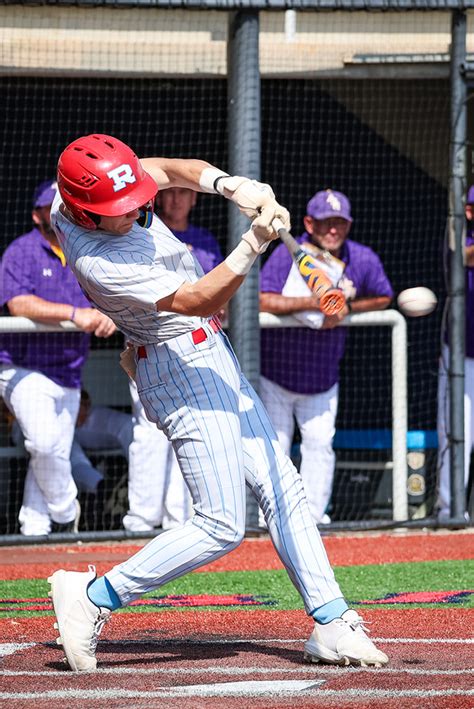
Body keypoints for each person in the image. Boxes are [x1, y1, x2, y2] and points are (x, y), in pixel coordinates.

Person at [47, 133, 388, 672]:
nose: (137, 208)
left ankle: (331, 621)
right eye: (120, 208)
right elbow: (198, 299)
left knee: (284, 483)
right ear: (84, 215)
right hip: (179, 365)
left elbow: (169, 169)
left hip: (204, 354)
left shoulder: (97, 193)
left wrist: (232, 186)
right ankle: (92, 598)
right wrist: (253, 242)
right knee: (221, 524)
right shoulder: (98, 260)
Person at [259, 189, 393, 525]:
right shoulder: (289, 251)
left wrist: (348, 306)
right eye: (325, 223)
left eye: (339, 224)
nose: (333, 231)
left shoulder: (360, 257)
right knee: (274, 448)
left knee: (320, 445)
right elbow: (261, 299)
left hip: (323, 376)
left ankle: (312, 518)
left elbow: (383, 296)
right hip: (277, 372)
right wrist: (311, 302)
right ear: (308, 223)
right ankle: (269, 519)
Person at [0, 179, 116, 535]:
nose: (59, 213)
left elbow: (106, 300)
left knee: (51, 457)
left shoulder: (86, 252)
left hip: (69, 372)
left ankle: (35, 532)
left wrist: (111, 312)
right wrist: (73, 313)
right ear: (38, 216)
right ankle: (67, 511)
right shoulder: (22, 250)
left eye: (64, 207)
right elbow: (18, 304)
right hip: (22, 368)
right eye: (52, 207)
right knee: (44, 442)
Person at [123, 187, 223, 532]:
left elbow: (218, 291)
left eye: (185, 194)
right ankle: (141, 519)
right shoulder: (141, 232)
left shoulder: (204, 240)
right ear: (159, 199)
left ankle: (179, 519)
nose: (178, 200)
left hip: (194, 346)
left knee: (193, 427)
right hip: (150, 341)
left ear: (194, 200)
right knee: (148, 431)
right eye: (172, 193)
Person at [436, 185, 474, 522]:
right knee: (458, 432)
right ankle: (451, 512)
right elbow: (463, 256)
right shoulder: (458, 240)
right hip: (462, 356)